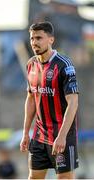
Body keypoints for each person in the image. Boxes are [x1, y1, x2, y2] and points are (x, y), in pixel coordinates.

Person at [20, 21, 79, 179]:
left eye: (39, 38)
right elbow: (31, 98)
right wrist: (26, 132)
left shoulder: (64, 66)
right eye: (32, 38)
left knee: (64, 178)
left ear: (51, 40)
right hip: (39, 135)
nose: (34, 42)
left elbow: (73, 103)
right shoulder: (31, 65)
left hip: (62, 135)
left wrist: (62, 136)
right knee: (33, 177)